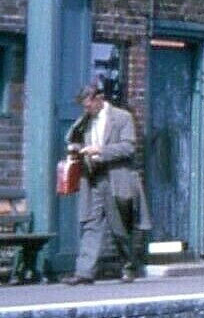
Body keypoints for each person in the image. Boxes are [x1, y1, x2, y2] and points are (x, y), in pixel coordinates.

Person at [61, 83, 151, 284]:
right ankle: (84, 273)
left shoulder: (122, 118)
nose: (87, 110)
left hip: (115, 178)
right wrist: (78, 144)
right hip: (93, 178)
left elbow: (128, 147)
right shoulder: (86, 121)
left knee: (119, 227)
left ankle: (129, 266)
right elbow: (70, 137)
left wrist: (100, 150)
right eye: (84, 107)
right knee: (91, 225)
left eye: (88, 105)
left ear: (99, 98)